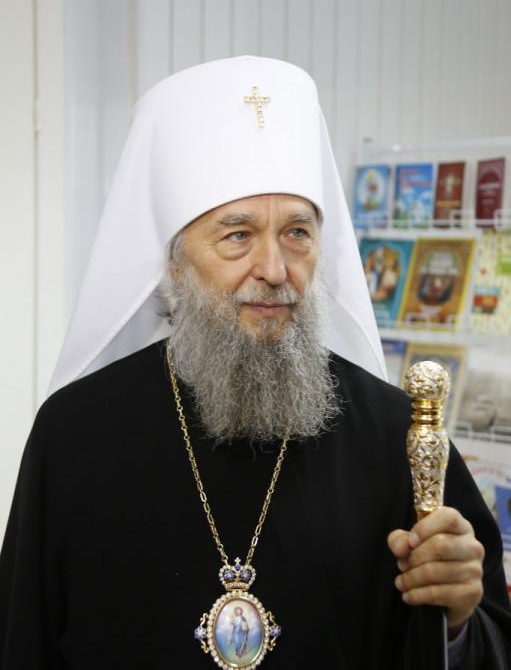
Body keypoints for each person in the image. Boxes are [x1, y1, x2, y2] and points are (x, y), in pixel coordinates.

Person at [0, 56, 510, 669]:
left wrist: (455, 623)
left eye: (297, 233)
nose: (274, 269)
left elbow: (489, 642)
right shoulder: (74, 435)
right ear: (175, 263)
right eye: (237, 235)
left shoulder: (395, 435)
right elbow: (22, 642)